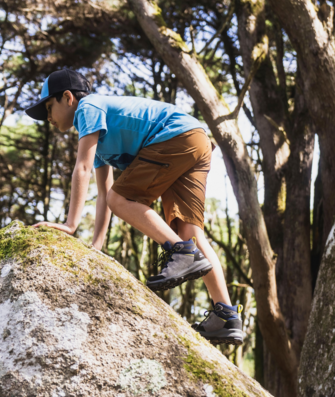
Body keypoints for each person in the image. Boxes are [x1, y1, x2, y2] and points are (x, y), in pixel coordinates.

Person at [25, 68, 243, 346]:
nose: (48, 118)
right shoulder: (99, 137)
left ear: (68, 98)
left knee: (126, 202)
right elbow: (104, 194)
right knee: (190, 233)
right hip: (195, 139)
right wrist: (96, 245)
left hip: (176, 135)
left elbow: (82, 169)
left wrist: (70, 225)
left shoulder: (88, 108)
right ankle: (226, 316)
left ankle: (181, 253)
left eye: (48, 108)